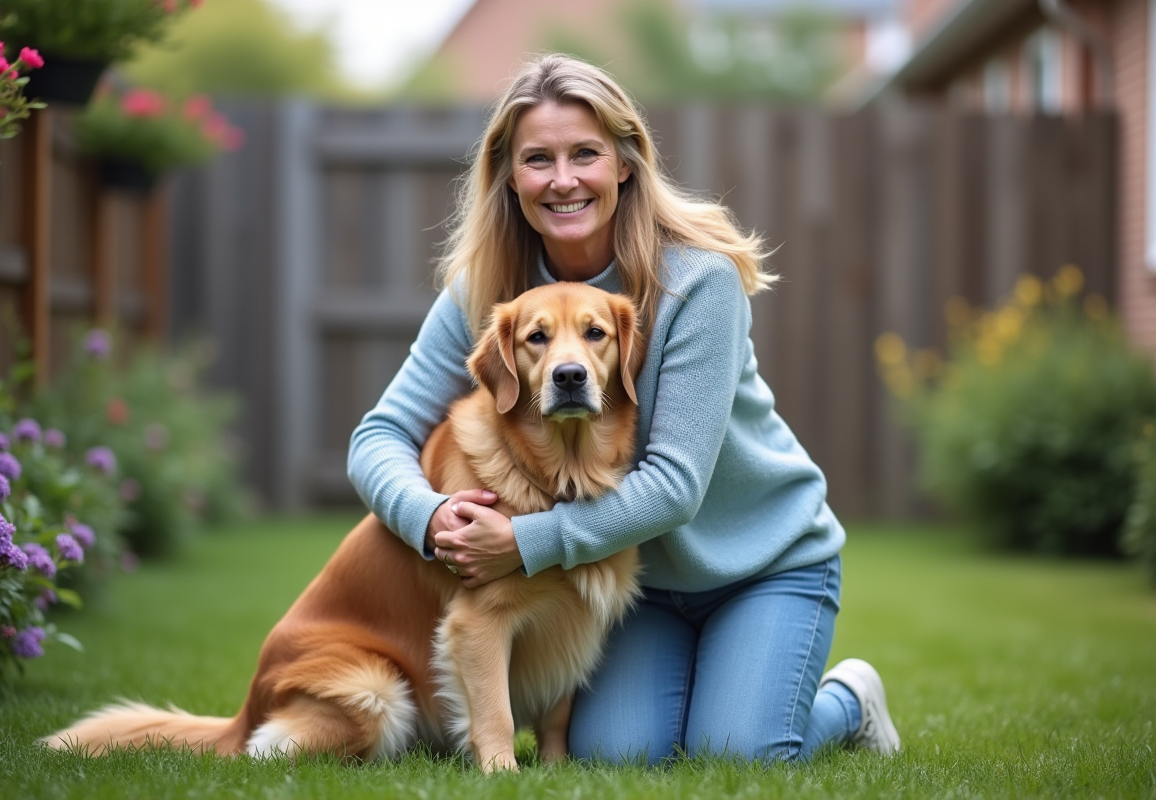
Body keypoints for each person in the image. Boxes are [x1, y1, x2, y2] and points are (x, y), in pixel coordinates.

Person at [348, 53, 900, 764]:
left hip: (763, 563)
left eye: (586, 154)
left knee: (740, 754)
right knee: (614, 753)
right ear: (510, 178)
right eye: (538, 159)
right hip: (634, 586)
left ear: (626, 163)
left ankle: (848, 699)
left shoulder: (696, 282)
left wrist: (523, 542)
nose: (564, 179)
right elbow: (378, 435)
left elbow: (673, 485)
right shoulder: (487, 290)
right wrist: (431, 520)